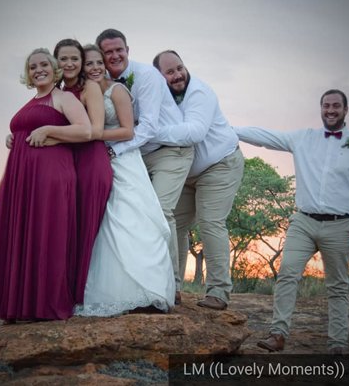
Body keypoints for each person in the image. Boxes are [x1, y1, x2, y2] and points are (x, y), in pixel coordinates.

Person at [233, 89, 349, 353]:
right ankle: (278, 334)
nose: (330, 110)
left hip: (341, 224)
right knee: (287, 273)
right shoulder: (304, 138)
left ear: (346, 110)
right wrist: (231, 129)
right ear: (321, 109)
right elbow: (266, 137)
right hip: (304, 221)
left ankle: (337, 345)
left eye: (336, 106)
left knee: (337, 286)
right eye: (326, 106)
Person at [0, 48, 92, 321]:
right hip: (21, 176)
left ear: (54, 69)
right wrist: (13, 136)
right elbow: (27, 127)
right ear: (28, 74)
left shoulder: (63, 98)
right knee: (20, 232)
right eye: (33, 67)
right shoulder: (31, 101)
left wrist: (48, 130)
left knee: (45, 232)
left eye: (44, 65)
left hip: (50, 173)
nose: (38, 70)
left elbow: (85, 130)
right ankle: (17, 304)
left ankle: (43, 305)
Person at [74, 44, 175, 316]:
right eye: (89, 63)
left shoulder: (117, 90)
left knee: (130, 219)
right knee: (108, 223)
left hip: (124, 160)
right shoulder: (83, 92)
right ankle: (112, 291)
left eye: (99, 62)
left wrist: (91, 135)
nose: (95, 68)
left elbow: (128, 131)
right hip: (97, 160)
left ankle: (146, 291)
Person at [95, 29, 194, 305]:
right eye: (108, 52)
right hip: (137, 155)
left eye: (119, 50)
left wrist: (113, 150)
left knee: (160, 212)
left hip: (169, 152)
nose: (115, 55)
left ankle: (171, 286)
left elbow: (148, 126)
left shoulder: (147, 76)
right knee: (131, 215)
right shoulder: (99, 81)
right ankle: (134, 280)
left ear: (128, 49)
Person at [152, 50, 245, 310]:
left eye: (180, 68)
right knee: (173, 223)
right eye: (170, 72)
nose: (178, 75)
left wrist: (151, 132)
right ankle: (172, 288)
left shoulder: (199, 92)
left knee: (210, 222)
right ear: (159, 77)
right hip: (185, 173)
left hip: (220, 164)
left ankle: (219, 292)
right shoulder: (159, 97)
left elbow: (195, 133)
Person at [53, 39, 113, 304]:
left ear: (81, 62)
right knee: (66, 226)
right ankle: (62, 290)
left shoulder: (89, 88)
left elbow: (96, 130)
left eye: (74, 59)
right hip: (66, 163)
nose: (69, 64)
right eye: (63, 59)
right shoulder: (56, 91)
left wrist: (53, 135)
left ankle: (80, 295)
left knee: (86, 227)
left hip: (91, 162)